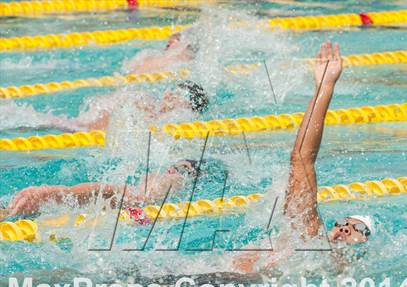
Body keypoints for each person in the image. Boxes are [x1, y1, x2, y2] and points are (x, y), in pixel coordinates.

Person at [233, 41, 375, 273]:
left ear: (365, 248)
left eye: (359, 230)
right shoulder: (307, 238)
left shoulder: (318, 253)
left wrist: (325, 87)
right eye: (344, 222)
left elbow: (301, 158)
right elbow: (301, 159)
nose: (346, 228)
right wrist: (323, 87)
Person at [5, 159, 201, 218]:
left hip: (129, 198)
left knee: (93, 193)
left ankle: (50, 194)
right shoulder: (173, 179)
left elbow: (144, 197)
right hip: (128, 199)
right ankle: (49, 195)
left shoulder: (176, 177)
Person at [49, 80, 209, 133]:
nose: (173, 94)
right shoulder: (146, 101)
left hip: (84, 129)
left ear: (189, 106)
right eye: (175, 90)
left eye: (182, 95)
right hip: (83, 128)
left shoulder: (174, 120)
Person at [122, 29, 199, 74]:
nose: (169, 42)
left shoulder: (175, 60)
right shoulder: (155, 54)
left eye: (176, 40)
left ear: (184, 46)